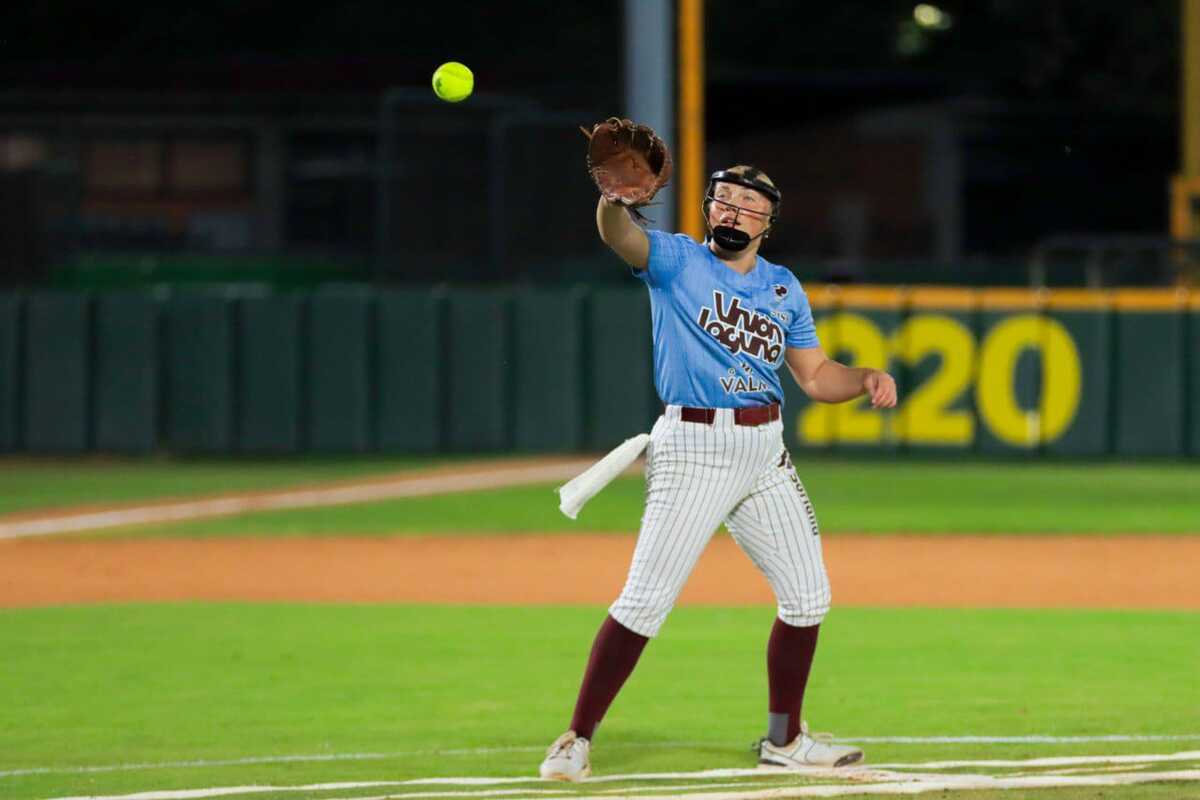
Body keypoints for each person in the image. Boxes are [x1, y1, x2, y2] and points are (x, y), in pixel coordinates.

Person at [538, 164, 898, 782]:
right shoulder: (677, 260)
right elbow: (618, 235)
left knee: (809, 597)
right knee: (645, 602)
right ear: (708, 211)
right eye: (723, 200)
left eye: (747, 203)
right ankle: (575, 737)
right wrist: (612, 200)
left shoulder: (783, 288)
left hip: (764, 450)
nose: (732, 210)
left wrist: (863, 377)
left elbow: (814, 376)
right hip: (694, 447)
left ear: (767, 221)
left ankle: (784, 741)